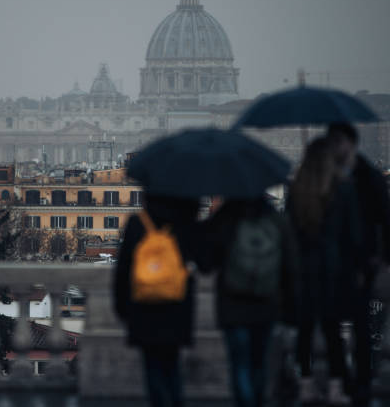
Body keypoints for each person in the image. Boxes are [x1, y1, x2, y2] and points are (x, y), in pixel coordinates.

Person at [326, 123, 390, 406]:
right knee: (331, 326)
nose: (333, 148)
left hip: (360, 262)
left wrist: (388, 256)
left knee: (360, 326)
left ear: (350, 143)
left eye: (337, 142)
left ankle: (363, 384)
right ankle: (342, 379)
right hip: (333, 262)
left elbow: (386, 219)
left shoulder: (369, 177)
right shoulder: (330, 176)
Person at [205, 197, 298, 407]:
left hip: (233, 305)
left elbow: (207, 260)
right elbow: (291, 268)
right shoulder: (276, 219)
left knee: (240, 366)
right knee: (260, 364)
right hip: (267, 304)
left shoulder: (226, 218)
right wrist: (291, 310)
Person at [288, 137, 360, 405]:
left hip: (303, 271)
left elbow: (290, 234)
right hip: (333, 271)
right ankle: (334, 387)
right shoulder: (343, 189)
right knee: (333, 332)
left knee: (304, 332)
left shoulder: (297, 190)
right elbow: (353, 236)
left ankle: (305, 384)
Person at [113, 194, 202, 407]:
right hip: (176, 308)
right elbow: (200, 262)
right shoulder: (184, 223)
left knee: (152, 368)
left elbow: (124, 270)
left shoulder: (139, 222)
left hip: (145, 307)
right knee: (172, 367)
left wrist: (123, 308)